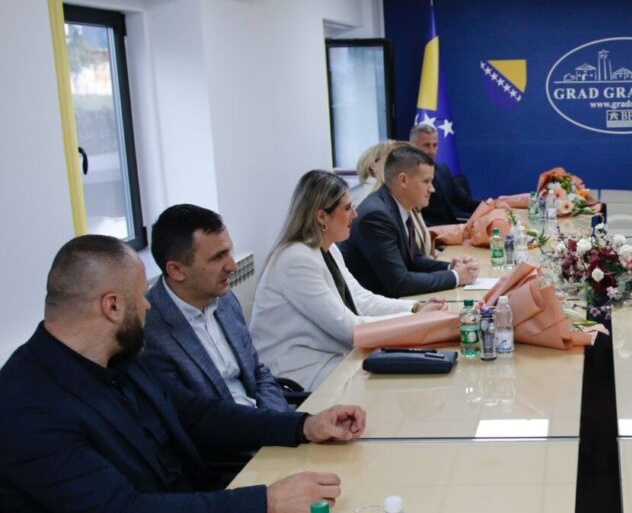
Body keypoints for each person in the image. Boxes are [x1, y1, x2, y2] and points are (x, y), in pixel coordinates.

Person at [0, 235, 366, 513]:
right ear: (112, 306)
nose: (149, 306)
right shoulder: (28, 405)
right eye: (141, 296)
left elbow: (198, 415)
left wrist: (301, 426)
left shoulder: (117, 360)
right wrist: (267, 503)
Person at [251, 169, 446, 390]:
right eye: (347, 208)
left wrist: (415, 308)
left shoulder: (328, 248)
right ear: (322, 217)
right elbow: (349, 329)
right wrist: (415, 320)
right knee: (395, 382)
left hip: (331, 358)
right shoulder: (296, 260)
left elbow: (361, 299)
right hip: (299, 372)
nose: (354, 214)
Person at [143, 204, 288, 413]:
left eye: (229, 252)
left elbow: (258, 373)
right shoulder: (151, 330)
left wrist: (278, 419)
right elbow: (193, 418)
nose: (232, 266)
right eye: (218, 257)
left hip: (263, 419)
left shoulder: (225, 300)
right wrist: (269, 425)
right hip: (226, 430)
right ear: (176, 270)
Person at [340, 143, 479, 298]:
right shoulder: (375, 216)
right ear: (403, 180)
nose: (432, 189)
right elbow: (399, 283)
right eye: (426, 181)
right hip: (375, 306)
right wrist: (456, 277)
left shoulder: (397, 205)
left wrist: (451, 267)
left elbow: (414, 260)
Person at [412, 123, 479, 226]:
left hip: (452, 229)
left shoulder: (443, 170)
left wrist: (493, 205)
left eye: (435, 145)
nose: (431, 151)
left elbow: (465, 203)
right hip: (428, 231)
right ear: (412, 146)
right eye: (426, 145)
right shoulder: (408, 177)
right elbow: (413, 218)